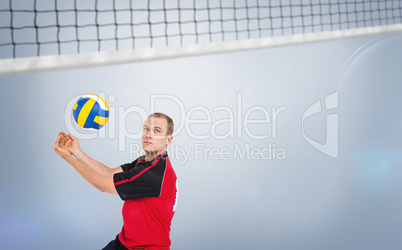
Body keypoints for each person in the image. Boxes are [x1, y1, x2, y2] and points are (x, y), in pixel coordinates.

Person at [53, 113, 178, 250]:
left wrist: (68, 158)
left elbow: (102, 185)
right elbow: (108, 172)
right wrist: (76, 152)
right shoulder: (144, 162)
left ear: (168, 140)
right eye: (146, 128)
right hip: (125, 241)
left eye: (157, 130)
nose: (149, 134)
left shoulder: (155, 172)